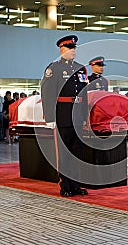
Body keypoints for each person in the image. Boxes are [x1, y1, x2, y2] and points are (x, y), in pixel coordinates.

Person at [40, 35, 89, 197]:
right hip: (63, 116)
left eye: (74, 47)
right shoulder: (54, 68)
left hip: (77, 116)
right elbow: (47, 94)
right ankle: (65, 184)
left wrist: (84, 116)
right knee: (64, 153)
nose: (74, 50)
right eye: (70, 48)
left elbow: (84, 94)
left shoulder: (81, 68)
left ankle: (75, 184)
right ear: (62, 50)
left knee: (77, 152)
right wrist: (50, 118)